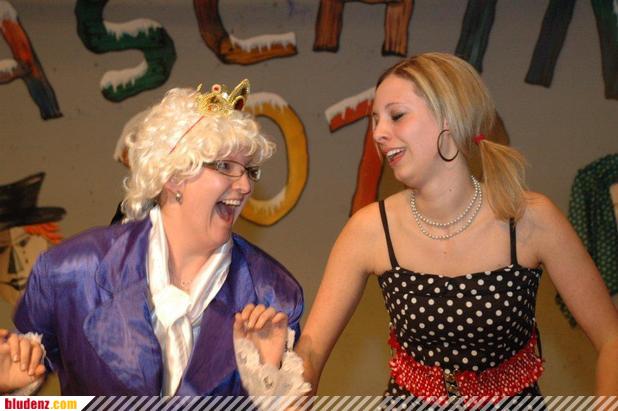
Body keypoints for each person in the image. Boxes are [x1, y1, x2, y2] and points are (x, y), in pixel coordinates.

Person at [237, 52, 618, 401]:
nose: (378, 133)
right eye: (375, 120)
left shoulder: (529, 218)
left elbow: (612, 340)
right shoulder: (370, 230)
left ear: (449, 118)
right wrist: (274, 375)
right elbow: (312, 353)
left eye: (396, 116)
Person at [1, 79, 304, 396]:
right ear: (174, 177)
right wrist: (10, 388)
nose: (245, 186)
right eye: (225, 166)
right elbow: (23, 380)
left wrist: (268, 383)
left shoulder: (273, 292)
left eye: (249, 170)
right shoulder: (70, 272)